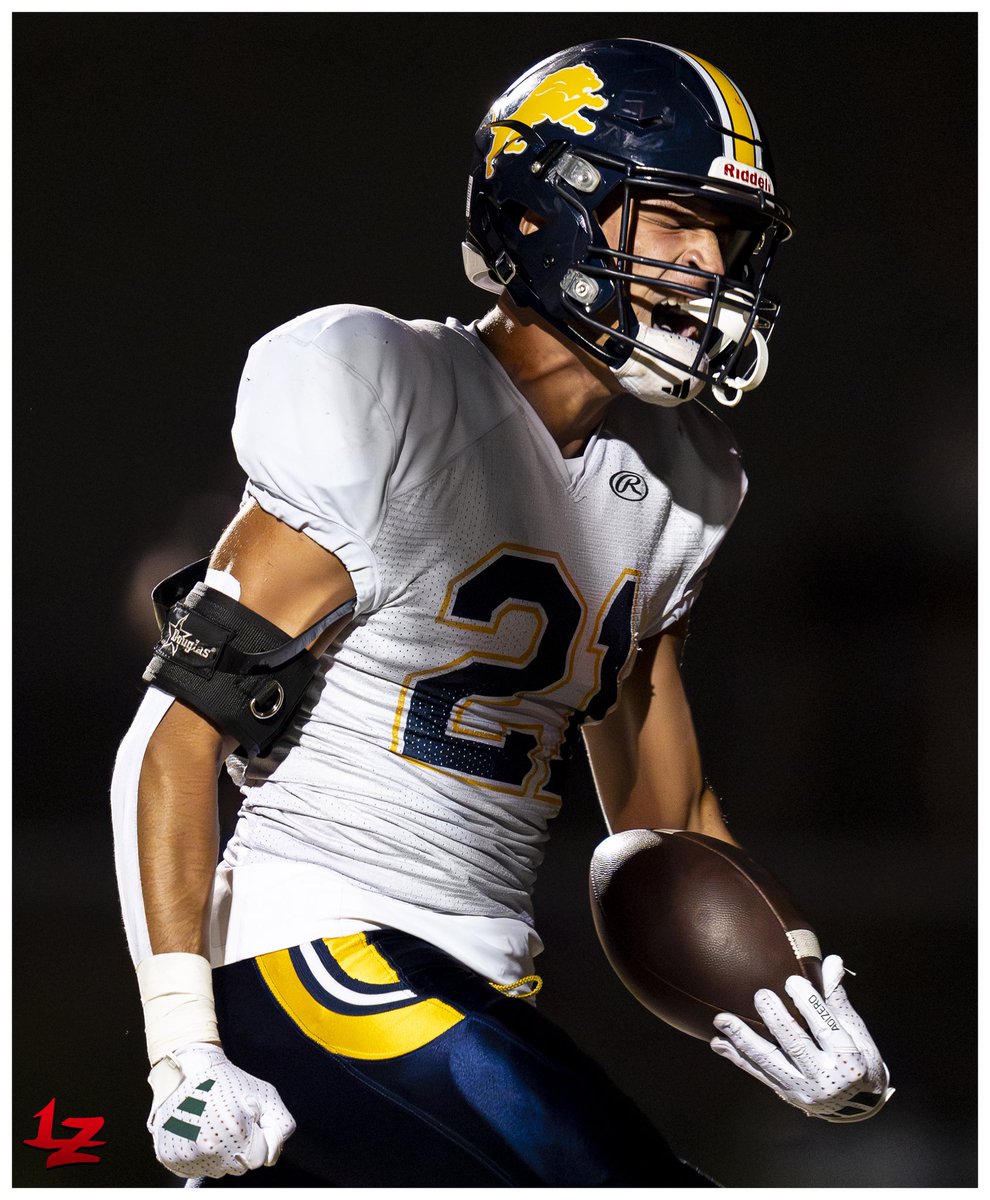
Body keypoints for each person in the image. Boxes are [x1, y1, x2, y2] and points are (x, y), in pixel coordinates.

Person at [111, 38, 892, 1187]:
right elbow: (171, 743)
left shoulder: (685, 478)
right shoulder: (388, 396)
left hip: (481, 983)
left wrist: (795, 997)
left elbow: (663, 820)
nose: (704, 260)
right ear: (545, 215)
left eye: (721, 233)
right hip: (313, 954)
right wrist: (180, 1047)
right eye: (671, 221)